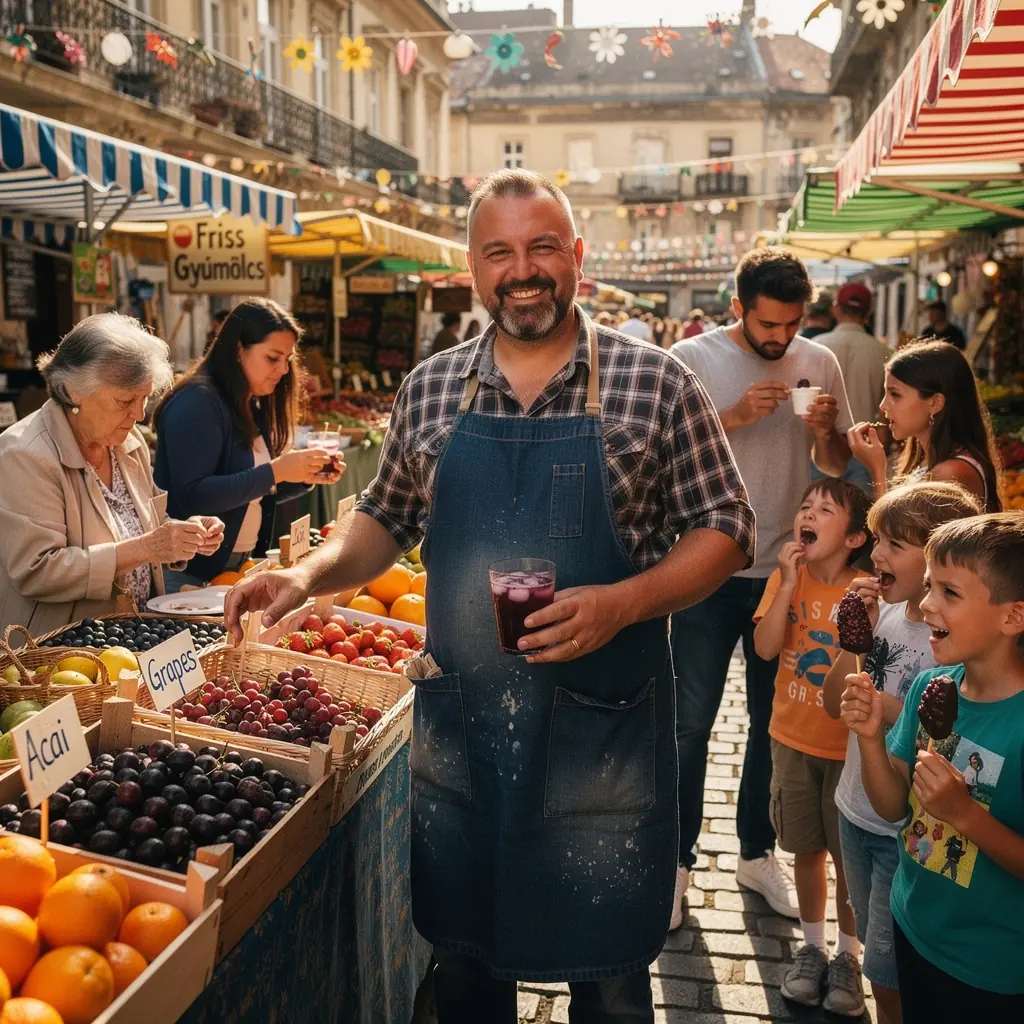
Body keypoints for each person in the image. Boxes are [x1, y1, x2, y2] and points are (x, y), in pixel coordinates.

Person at [224, 168, 755, 1023]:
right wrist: (306, 576)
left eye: (542, 246)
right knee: (466, 969)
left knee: (611, 979)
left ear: (576, 255)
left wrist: (621, 603)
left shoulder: (656, 382)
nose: (523, 270)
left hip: (604, 734)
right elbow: (384, 518)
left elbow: (727, 529)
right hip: (466, 732)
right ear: (473, 270)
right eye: (499, 253)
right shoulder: (431, 388)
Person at [668, 248, 854, 923]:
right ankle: (677, 866)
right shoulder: (693, 358)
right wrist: (737, 415)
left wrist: (827, 434)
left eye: (792, 324)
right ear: (738, 308)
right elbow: (666, 451)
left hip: (787, 573)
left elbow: (834, 469)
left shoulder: (820, 363)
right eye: (768, 324)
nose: (780, 338)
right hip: (704, 569)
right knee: (690, 726)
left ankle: (755, 853)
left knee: (771, 727)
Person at [841, 513, 1024, 1020]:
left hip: (991, 965)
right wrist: (872, 737)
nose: (925, 605)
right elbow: (894, 806)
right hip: (912, 919)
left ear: (1013, 617)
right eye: (928, 586)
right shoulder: (931, 687)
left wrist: (966, 816)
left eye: (949, 592)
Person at [823, 481, 981, 1024]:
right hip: (855, 809)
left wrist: (889, 710)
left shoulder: (951, 641)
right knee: (873, 948)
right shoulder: (883, 617)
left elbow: (945, 745)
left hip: (905, 832)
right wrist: (853, 642)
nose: (876, 555)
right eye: (877, 540)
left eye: (893, 544)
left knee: (890, 974)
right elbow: (830, 702)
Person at [0, 314, 225, 635]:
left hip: (132, 636)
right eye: (125, 401)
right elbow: (37, 571)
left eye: (145, 398)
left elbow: (139, 527)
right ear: (75, 391)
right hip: (63, 654)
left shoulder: (127, 442)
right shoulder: (25, 453)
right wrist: (148, 548)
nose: (139, 414)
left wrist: (183, 534)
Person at [753, 477, 872, 1016]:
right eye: (807, 506)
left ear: (852, 538)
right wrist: (783, 582)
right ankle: (814, 946)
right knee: (805, 848)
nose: (811, 514)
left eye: (826, 510)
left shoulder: (866, 590)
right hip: (791, 740)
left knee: (847, 859)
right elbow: (765, 647)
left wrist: (867, 618)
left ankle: (849, 956)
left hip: (847, 750)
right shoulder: (788, 581)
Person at [154, 299, 343, 589]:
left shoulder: (248, 401)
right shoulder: (198, 402)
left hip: (235, 567)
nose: (282, 370)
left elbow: (250, 491)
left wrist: (302, 477)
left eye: (287, 360)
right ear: (239, 349)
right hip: (188, 574)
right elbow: (192, 496)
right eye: (272, 358)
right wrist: (276, 471)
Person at [847, 340, 1002, 511]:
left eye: (895, 395)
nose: (883, 406)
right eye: (886, 393)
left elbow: (894, 534)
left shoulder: (951, 472)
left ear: (935, 403)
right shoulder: (924, 459)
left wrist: (876, 470)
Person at [814, 283, 890, 491]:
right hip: (865, 446)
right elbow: (886, 413)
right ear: (868, 313)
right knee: (861, 519)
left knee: (819, 514)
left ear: (836, 309)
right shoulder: (884, 353)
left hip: (821, 448)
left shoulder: (815, 347)